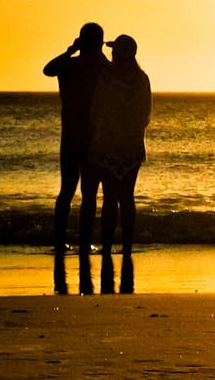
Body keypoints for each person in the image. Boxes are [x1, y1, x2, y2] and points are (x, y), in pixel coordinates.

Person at [43, 22, 109, 294]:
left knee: (68, 191)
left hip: (72, 135)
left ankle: (60, 241)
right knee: (88, 193)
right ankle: (82, 242)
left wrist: (71, 50)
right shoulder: (100, 68)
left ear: (82, 42)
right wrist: (88, 51)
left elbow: (48, 69)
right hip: (91, 136)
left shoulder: (70, 65)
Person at [88, 34, 151, 294]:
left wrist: (97, 133)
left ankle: (107, 244)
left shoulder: (107, 77)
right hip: (131, 145)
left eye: (114, 50)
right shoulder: (141, 79)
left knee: (110, 197)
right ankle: (126, 246)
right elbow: (145, 114)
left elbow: (96, 109)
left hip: (108, 143)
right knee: (127, 196)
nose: (112, 54)